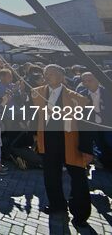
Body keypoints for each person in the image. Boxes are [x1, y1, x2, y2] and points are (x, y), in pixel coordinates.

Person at [32, 64, 92, 228]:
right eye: (45, 73)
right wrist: (35, 136)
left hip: (70, 142)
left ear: (61, 76)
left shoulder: (76, 98)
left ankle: (80, 214)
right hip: (49, 142)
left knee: (78, 178)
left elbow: (86, 125)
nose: (46, 76)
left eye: (50, 74)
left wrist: (87, 149)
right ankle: (57, 205)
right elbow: (34, 114)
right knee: (50, 175)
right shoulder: (38, 92)